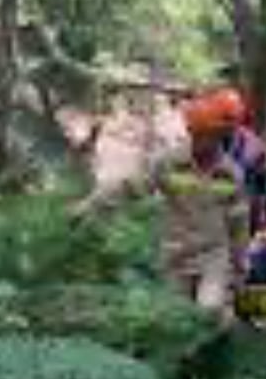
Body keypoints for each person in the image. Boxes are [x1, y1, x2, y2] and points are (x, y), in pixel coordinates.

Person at [75, 91, 251, 319]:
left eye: (207, 136)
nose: (200, 141)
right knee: (175, 320)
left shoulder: (230, 175)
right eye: (196, 134)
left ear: (220, 136)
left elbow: (238, 224)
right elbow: (130, 187)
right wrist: (90, 205)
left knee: (208, 311)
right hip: (175, 256)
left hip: (213, 258)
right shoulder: (169, 164)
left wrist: (239, 268)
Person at [208, 86, 266, 236]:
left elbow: (264, 189)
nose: (223, 124)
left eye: (228, 119)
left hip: (243, 215)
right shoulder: (206, 141)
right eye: (220, 118)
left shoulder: (254, 147)